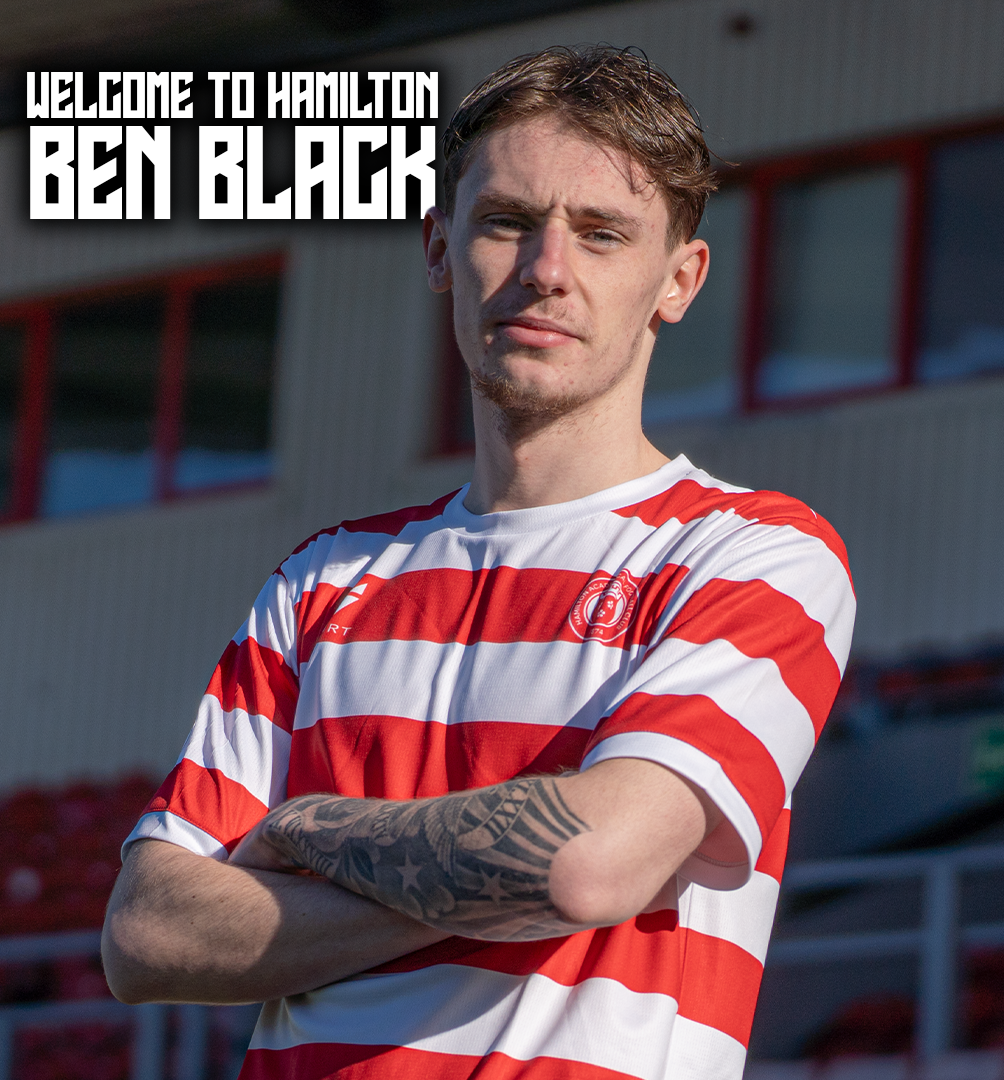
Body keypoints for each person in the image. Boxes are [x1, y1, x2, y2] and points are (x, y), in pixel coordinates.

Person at [103, 46, 856, 1080]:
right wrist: (508, 874)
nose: (546, 269)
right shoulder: (321, 579)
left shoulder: (750, 555)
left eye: (602, 233)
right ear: (439, 247)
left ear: (679, 280)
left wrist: (303, 828)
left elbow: (586, 867)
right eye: (506, 221)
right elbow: (147, 934)